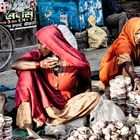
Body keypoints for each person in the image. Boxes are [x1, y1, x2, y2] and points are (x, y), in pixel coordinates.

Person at [11, 25, 100, 129]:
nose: (38, 47)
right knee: (26, 73)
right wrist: (39, 64)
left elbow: (86, 84)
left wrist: (83, 103)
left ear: (51, 44)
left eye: (41, 43)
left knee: (94, 97)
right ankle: (30, 120)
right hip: (44, 105)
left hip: (67, 105)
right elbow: (15, 64)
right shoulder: (39, 56)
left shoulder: (76, 59)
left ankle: (54, 120)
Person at [99, 17, 140, 95]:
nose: (139, 36)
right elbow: (126, 62)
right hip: (111, 73)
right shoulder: (123, 43)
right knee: (126, 61)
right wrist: (135, 78)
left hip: (129, 69)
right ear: (131, 31)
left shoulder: (136, 42)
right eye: (137, 33)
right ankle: (128, 91)